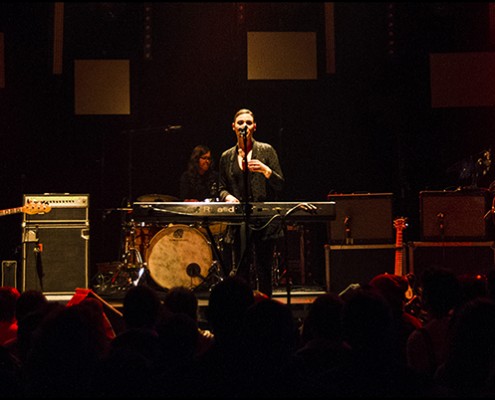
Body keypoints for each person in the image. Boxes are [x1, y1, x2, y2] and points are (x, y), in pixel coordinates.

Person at [218, 108, 284, 297]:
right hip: (239, 221)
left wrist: (266, 171)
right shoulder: (226, 157)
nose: (244, 126)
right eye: (240, 123)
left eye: (248, 122)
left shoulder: (266, 150)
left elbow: (280, 185)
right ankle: (242, 309)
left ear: (254, 127)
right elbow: (220, 188)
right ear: (233, 127)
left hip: (264, 220)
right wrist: (227, 197)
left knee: (264, 269)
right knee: (241, 269)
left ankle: (265, 309)